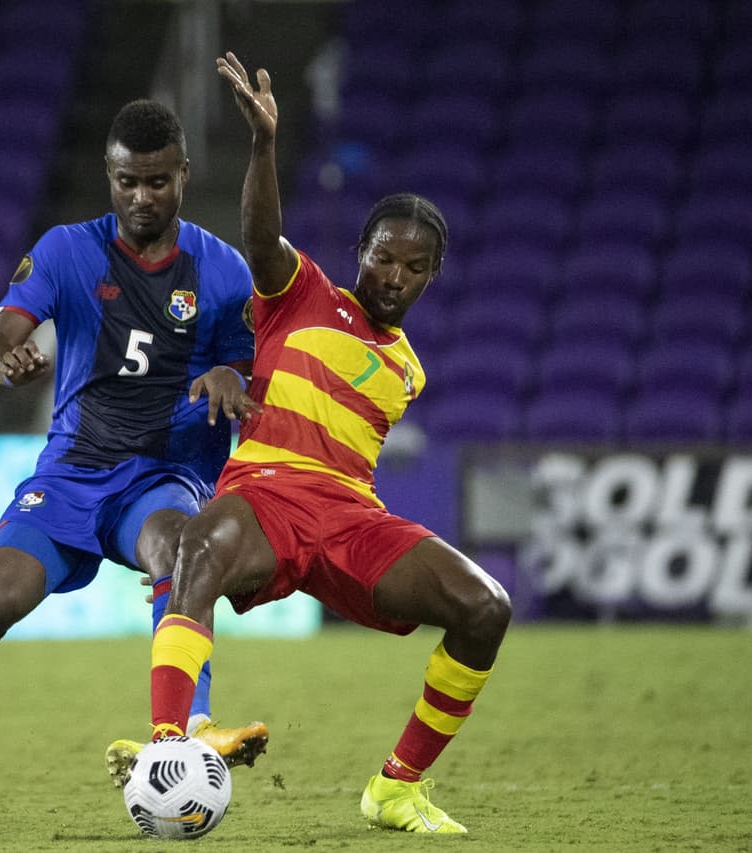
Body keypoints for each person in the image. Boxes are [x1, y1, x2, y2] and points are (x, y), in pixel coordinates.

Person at [0, 99, 268, 814]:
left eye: (157, 181)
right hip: (72, 471)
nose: (142, 197)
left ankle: (190, 728)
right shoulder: (67, 250)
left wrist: (234, 374)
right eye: (127, 181)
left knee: (178, 547)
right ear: (109, 176)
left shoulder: (223, 270)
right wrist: (3, 362)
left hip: (163, 474)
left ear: (184, 175)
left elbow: (249, 368)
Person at [141, 53, 512, 835]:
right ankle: (167, 746)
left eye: (414, 266)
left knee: (485, 607)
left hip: (348, 515)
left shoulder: (408, 369)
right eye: (383, 257)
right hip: (264, 494)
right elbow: (259, 235)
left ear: (432, 277)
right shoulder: (301, 291)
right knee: (198, 550)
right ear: (360, 253)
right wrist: (265, 143)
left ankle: (396, 787)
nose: (394, 274)